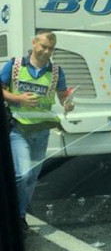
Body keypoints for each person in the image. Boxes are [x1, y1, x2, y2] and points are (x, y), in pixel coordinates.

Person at [0, 31, 74, 234]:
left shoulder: (57, 72)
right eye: (43, 46)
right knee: (22, 175)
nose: (46, 51)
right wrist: (18, 99)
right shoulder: (15, 65)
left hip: (41, 133)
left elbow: (62, 96)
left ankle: (20, 216)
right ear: (34, 43)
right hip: (18, 129)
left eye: (50, 48)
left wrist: (68, 104)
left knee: (32, 177)